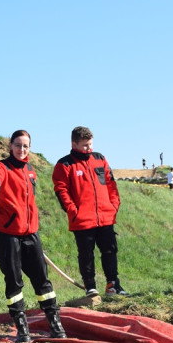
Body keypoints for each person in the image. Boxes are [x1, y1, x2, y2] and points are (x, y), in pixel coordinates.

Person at [0, 130, 66, 343]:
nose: (22, 150)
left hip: (31, 234)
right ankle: (22, 329)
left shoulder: (30, 170)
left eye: (26, 146)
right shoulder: (2, 166)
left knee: (43, 281)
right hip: (8, 236)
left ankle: (55, 324)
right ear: (10, 146)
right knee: (14, 282)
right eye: (18, 145)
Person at [51, 126, 125, 298]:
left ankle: (113, 285)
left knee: (110, 250)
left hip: (106, 216)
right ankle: (90, 286)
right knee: (86, 253)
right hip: (82, 219)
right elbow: (61, 191)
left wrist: (113, 206)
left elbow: (111, 184)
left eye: (90, 144)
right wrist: (73, 211)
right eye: (84, 145)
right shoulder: (64, 164)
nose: (88, 148)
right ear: (74, 143)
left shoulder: (100, 159)